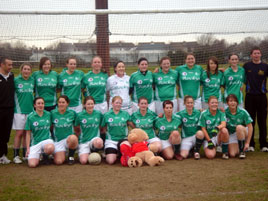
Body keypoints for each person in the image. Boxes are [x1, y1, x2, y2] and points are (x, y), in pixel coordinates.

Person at [244, 47, 268, 152]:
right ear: (251, 55)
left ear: (260, 55)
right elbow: (237, 73)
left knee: (262, 121)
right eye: (254, 53)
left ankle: (264, 144)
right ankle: (251, 144)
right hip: (249, 97)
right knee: (250, 121)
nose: (256, 55)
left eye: (258, 53)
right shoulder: (246, 66)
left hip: (262, 97)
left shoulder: (265, 66)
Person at [12, 63, 34, 164]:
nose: (26, 71)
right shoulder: (16, 80)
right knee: (19, 133)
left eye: (28, 69)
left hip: (30, 111)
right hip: (19, 111)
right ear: (21, 70)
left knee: (27, 133)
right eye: (25, 69)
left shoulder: (32, 80)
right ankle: (16, 155)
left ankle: (25, 154)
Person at [101, 96, 132, 164]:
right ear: (112, 103)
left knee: (127, 154)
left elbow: (132, 125)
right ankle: (114, 153)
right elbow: (103, 129)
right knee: (110, 161)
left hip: (123, 139)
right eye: (116, 103)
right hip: (111, 141)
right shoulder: (107, 115)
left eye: (120, 103)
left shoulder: (125, 114)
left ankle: (120, 152)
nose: (118, 104)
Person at [25, 97, 55, 168]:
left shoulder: (48, 114)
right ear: (34, 105)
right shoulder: (30, 117)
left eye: (42, 103)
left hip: (47, 141)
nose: (40, 105)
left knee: (50, 147)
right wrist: (28, 148)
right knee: (32, 164)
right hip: (36, 143)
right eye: (38, 103)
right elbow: (28, 134)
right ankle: (39, 155)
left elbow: (52, 127)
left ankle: (45, 155)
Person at [74, 96, 103, 165]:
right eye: (88, 104)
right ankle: (84, 151)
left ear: (94, 104)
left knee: (99, 142)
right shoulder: (80, 115)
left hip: (94, 139)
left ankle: (94, 151)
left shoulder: (98, 114)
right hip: (84, 141)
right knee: (83, 161)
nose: (90, 106)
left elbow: (102, 127)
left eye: (92, 104)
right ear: (84, 105)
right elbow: (76, 129)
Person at [51, 95, 78, 165]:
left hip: (68, 140)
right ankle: (61, 153)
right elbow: (50, 127)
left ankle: (71, 156)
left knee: (74, 138)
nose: (61, 104)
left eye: (63, 102)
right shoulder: (52, 113)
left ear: (67, 103)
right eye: (59, 102)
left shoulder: (72, 113)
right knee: (58, 162)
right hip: (58, 141)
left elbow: (77, 127)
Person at [175, 96, 204, 160]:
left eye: (191, 103)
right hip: (186, 138)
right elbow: (172, 116)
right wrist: (162, 115)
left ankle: (196, 151)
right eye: (188, 103)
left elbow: (207, 113)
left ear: (193, 104)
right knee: (183, 155)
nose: (190, 104)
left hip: (196, 137)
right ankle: (191, 150)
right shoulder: (180, 114)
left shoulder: (198, 113)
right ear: (184, 103)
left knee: (200, 133)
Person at [225, 94, 253, 158]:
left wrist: (248, 143)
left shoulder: (243, 112)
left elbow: (250, 127)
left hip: (243, 132)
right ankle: (240, 146)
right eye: (231, 101)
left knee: (239, 127)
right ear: (227, 103)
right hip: (232, 134)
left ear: (237, 103)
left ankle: (242, 152)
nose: (233, 103)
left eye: (235, 101)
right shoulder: (224, 112)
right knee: (232, 154)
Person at [0, 57, 14, 164]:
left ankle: (3, 155)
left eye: (11, 65)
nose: (11, 67)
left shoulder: (12, 76)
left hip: (9, 109)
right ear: (2, 65)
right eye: (9, 65)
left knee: (5, 133)